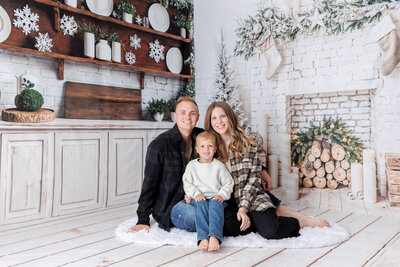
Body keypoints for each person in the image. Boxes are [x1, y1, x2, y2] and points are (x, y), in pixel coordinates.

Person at [204, 101, 330, 238]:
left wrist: (243, 208)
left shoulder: (246, 144)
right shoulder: (208, 146)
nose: (219, 121)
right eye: (214, 118)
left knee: (271, 231)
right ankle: (260, 221)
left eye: (222, 116)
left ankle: (299, 221)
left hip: (251, 197)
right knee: (225, 228)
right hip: (228, 201)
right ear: (209, 122)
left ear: (230, 117)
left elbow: (253, 181)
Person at [130, 96, 202, 232]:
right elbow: (149, 184)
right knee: (198, 218)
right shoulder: (159, 145)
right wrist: (142, 219)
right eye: (183, 112)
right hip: (172, 205)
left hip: (197, 197)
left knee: (223, 214)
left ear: (197, 117)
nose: (188, 117)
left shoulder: (203, 137)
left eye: (192, 113)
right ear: (175, 116)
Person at [183, 131, 233, 251]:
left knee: (215, 205)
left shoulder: (219, 166)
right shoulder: (191, 166)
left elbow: (228, 183)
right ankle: (203, 238)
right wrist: (196, 194)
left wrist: (221, 195)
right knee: (201, 205)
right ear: (197, 149)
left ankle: (214, 236)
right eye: (202, 146)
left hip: (216, 197)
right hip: (199, 197)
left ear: (215, 149)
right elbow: (187, 184)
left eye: (210, 146)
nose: (206, 149)